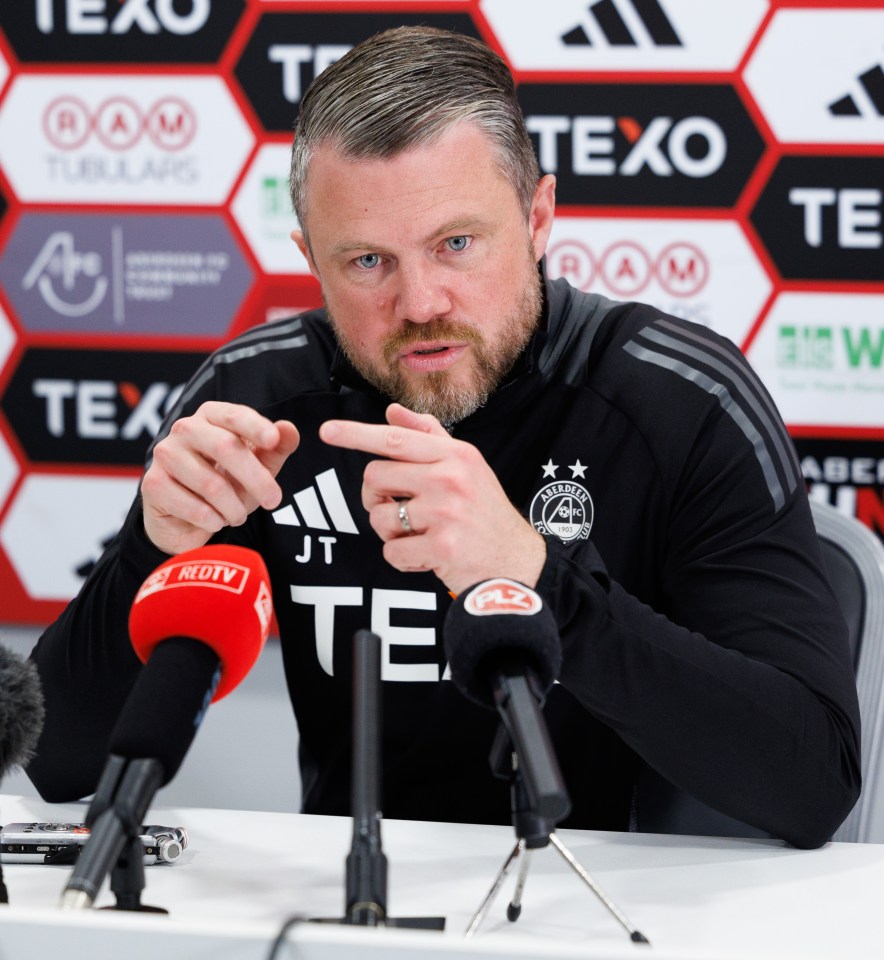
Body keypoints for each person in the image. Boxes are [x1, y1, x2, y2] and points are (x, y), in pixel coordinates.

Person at [27, 26, 860, 849]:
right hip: (348, 903)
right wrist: (151, 547)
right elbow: (56, 762)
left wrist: (534, 574)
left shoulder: (683, 401)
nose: (421, 301)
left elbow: (812, 782)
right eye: (366, 263)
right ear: (310, 258)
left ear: (538, 218)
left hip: (620, 910)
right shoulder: (258, 406)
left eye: (456, 244)